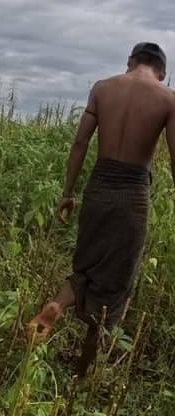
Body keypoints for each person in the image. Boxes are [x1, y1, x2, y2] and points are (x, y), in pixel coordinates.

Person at [28, 42, 175, 378]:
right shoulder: (167, 99)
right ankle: (84, 368)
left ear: (129, 62)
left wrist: (67, 193)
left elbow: (80, 143)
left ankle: (57, 305)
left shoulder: (102, 88)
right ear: (162, 72)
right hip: (134, 195)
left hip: (98, 188)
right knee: (116, 282)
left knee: (86, 265)